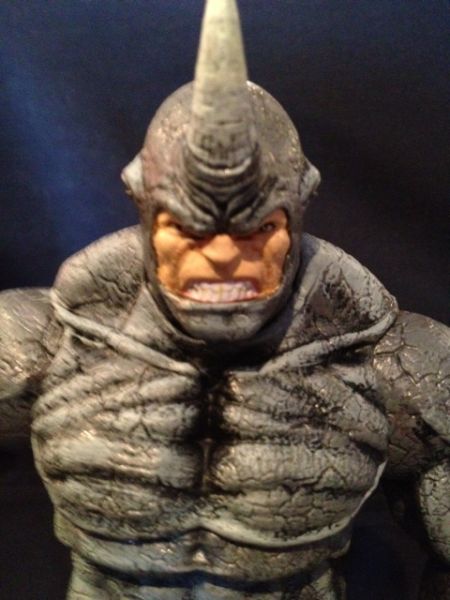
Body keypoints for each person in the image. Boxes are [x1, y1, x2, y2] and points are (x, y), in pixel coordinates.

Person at [0, 1, 448, 598]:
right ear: (144, 210)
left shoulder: (384, 359)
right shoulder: (43, 340)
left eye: (257, 228)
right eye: (188, 228)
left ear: (298, 210)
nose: (221, 257)